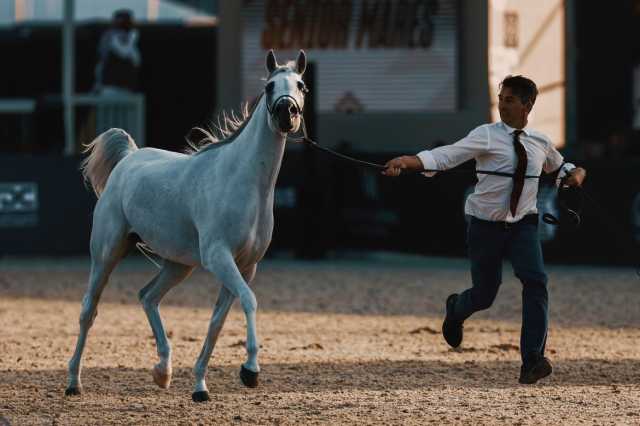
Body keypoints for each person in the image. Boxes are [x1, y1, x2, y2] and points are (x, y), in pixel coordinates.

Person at [382, 75, 587, 384]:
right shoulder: (486, 135)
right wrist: (408, 162)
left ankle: (532, 359)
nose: (502, 104)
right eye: (500, 98)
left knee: (536, 282)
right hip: (485, 226)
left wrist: (576, 175)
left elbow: (562, 170)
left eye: (509, 100)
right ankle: (456, 308)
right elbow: (446, 156)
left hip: (524, 225)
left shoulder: (540, 142)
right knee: (484, 294)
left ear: (527, 105)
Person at [93, 9, 141, 94]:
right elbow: (123, 52)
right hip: (110, 87)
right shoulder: (110, 37)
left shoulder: (132, 39)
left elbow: (135, 61)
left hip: (126, 88)